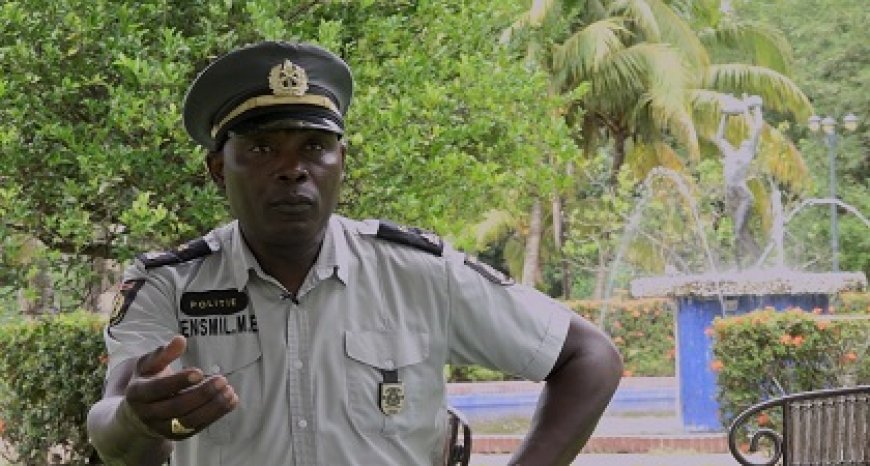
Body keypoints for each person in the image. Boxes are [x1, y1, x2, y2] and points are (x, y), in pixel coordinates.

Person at [87, 41, 622, 466]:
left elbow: (589, 358)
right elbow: (116, 430)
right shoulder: (170, 286)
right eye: (261, 148)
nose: (293, 168)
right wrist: (138, 420)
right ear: (218, 169)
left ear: (341, 161)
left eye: (314, 147)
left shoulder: (420, 273)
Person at [714, 94, 764, 267]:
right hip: (731, 195)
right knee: (741, 233)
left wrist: (755, 109)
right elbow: (718, 138)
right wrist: (725, 116)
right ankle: (759, 259)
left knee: (737, 232)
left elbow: (757, 129)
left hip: (743, 196)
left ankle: (740, 268)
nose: (744, 142)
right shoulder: (731, 153)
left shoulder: (747, 153)